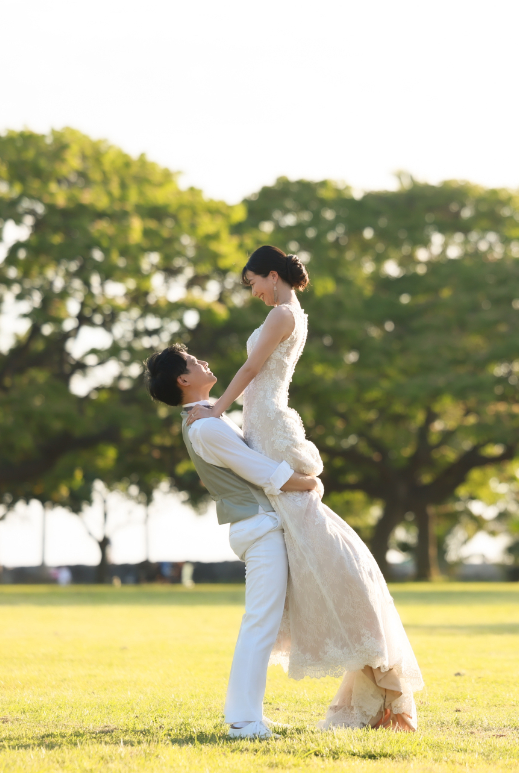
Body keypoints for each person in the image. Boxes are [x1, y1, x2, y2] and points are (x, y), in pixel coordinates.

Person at [186, 245, 422, 731]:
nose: (253, 291)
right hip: (261, 423)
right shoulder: (285, 313)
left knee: (309, 528)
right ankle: (370, 665)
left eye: (254, 282)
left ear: (273, 276)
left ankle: (374, 662)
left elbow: (252, 372)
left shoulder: (281, 314)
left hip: (269, 423)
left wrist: (217, 406)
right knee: (306, 535)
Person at [145, 344, 321, 740]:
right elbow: (264, 473)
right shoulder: (205, 425)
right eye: (193, 362)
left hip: (256, 524)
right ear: (184, 380)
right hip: (257, 526)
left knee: (262, 621)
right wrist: (311, 482)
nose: (204, 362)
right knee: (259, 623)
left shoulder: (206, 419)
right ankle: (243, 720)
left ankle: (248, 714)